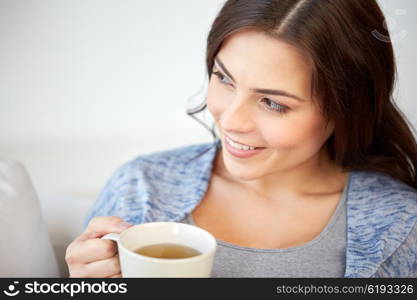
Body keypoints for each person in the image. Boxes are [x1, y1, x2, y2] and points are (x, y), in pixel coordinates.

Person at [65, 0, 417, 278]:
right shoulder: (139, 187)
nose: (230, 120)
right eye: (224, 78)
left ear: (346, 109)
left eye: (273, 103)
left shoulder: (400, 227)